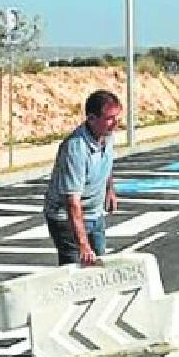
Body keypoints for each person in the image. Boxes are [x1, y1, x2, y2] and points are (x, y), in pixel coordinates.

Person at [44, 90, 122, 267]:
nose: (115, 124)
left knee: (100, 267)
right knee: (76, 273)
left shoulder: (106, 136)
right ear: (92, 119)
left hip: (94, 214)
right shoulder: (75, 149)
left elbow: (106, 161)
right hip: (67, 220)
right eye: (109, 118)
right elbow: (72, 201)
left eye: (117, 117)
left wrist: (110, 190)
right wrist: (83, 245)